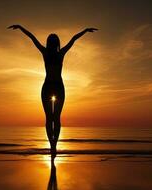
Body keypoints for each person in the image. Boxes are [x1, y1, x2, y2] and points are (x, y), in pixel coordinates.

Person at [8, 25, 98, 154]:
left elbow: (73, 39)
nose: (53, 41)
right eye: (52, 39)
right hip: (48, 87)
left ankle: (54, 144)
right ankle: (52, 145)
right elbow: (32, 37)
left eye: (54, 39)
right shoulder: (45, 52)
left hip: (58, 87)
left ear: (56, 43)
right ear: (50, 42)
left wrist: (84, 31)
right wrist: (21, 28)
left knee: (56, 118)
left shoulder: (60, 53)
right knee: (50, 118)